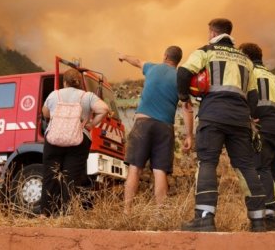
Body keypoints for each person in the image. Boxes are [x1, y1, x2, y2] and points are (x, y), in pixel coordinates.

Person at [177, 18, 267, 232]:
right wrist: (250, 116)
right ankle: (258, 221)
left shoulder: (205, 51)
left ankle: (205, 218)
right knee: (246, 166)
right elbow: (254, 96)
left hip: (213, 115)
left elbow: (183, 72)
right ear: (229, 33)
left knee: (207, 162)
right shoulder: (246, 61)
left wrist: (184, 96)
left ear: (212, 33)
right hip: (240, 120)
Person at [118, 46, 194, 212]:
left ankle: (127, 212)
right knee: (160, 172)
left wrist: (124, 56)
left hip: (142, 124)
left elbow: (137, 61)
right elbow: (187, 108)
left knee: (135, 168)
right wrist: (189, 135)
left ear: (165, 55)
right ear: (178, 60)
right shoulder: (180, 77)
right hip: (164, 128)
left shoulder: (152, 68)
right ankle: (160, 215)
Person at [40, 68, 110, 216]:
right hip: (78, 140)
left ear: (64, 82)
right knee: (71, 178)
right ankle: (67, 215)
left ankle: (45, 214)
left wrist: (52, 118)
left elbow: (45, 112)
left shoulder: (55, 94)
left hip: (54, 139)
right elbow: (104, 108)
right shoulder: (87, 96)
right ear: (79, 83)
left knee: (50, 176)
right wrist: (91, 124)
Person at [239, 42, 275, 230]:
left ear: (246, 56)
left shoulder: (249, 72)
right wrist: (274, 118)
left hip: (262, 127)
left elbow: (247, 97)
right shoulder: (272, 75)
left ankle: (268, 216)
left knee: (262, 168)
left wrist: (253, 118)